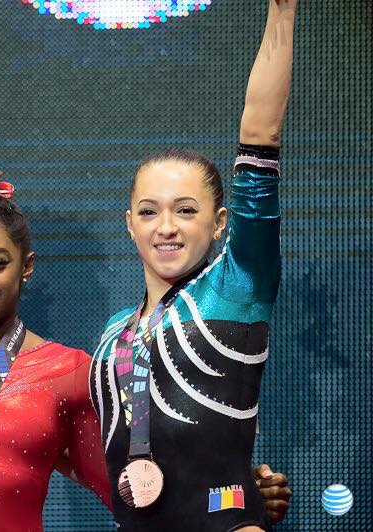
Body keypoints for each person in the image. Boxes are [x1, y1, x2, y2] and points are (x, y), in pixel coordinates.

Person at [0, 2, 290, 530]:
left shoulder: (71, 370)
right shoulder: (105, 342)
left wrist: (238, 490)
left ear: (26, 267)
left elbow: (127, 485)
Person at [89, 0, 297, 530]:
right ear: (129, 223)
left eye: (186, 211)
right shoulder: (114, 332)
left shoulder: (238, 285)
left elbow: (261, 140)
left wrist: (282, 15)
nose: (166, 227)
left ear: (221, 223)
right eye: (149, 211)